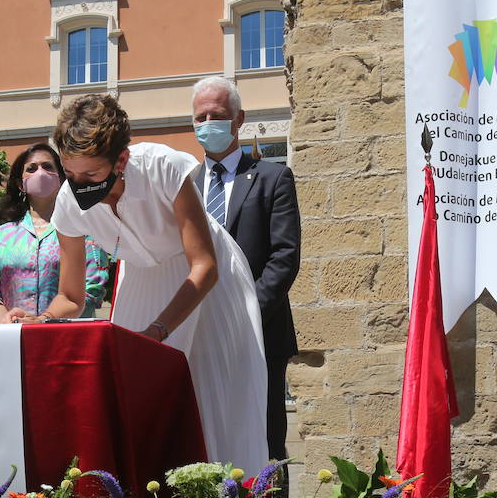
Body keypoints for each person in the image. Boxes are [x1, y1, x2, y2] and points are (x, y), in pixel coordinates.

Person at [32, 94, 268, 471]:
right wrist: (35, 323)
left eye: (90, 175)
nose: (78, 185)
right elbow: (70, 296)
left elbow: (204, 266)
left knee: (215, 404)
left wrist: (158, 331)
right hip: (141, 281)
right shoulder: (68, 203)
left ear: (121, 160)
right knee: (138, 409)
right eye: (70, 174)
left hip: (208, 284)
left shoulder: (163, 167)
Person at [188, 76, 301, 462]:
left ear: (238, 119)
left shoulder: (273, 178)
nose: (207, 123)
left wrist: (245, 312)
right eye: (200, 116)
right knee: (207, 438)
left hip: (260, 332)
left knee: (265, 439)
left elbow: (284, 257)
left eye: (216, 115)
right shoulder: (185, 185)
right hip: (199, 336)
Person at [0, 143, 111, 322]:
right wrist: (8, 322)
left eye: (48, 167)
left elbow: (93, 291)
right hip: (15, 339)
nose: (40, 172)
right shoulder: (1, 236)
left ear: (61, 178)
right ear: (20, 184)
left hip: (69, 338)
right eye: (31, 169)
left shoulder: (84, 231)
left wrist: (43, 321)